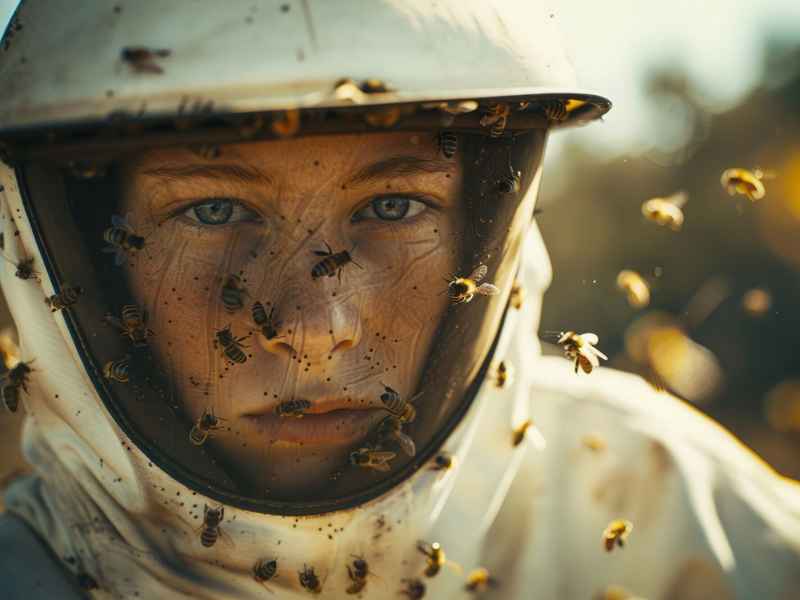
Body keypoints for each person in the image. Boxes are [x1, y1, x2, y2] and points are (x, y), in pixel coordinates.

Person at [0, 1, 797, 598]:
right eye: (212, 210)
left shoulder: (670, 509)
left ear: (487, 227)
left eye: (392, 206)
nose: (315, 332)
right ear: (76, 247)